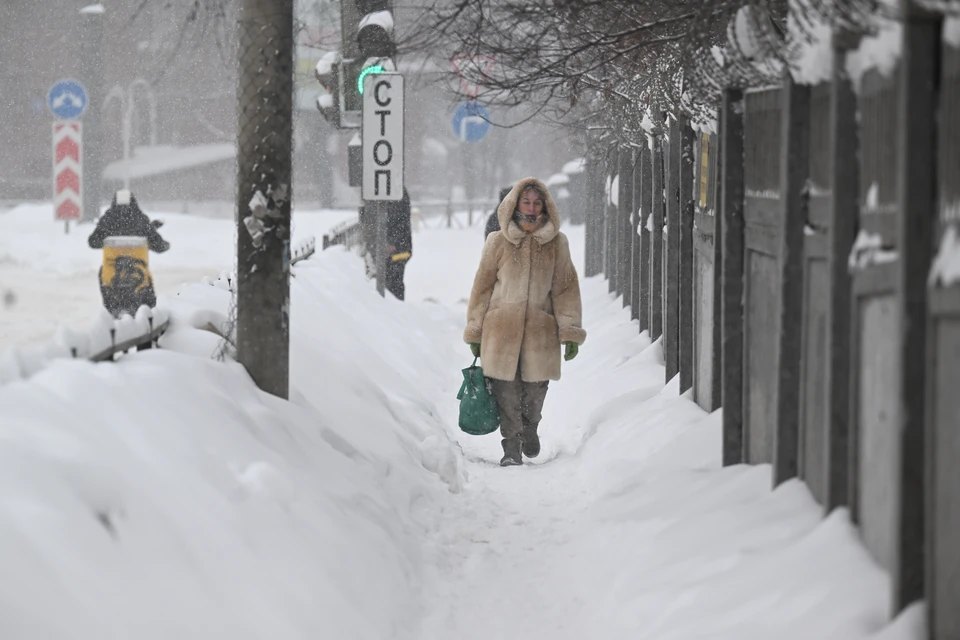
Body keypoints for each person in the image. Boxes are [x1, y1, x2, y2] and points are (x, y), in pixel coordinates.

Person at [464, 178, 586, 466]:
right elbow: (481, 287)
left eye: (536, 202)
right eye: (526, 202)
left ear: (545, 205)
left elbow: (565, 289)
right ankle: (511, 446)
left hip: (540, 332)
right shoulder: (497, 241)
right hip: (500, 331)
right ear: (514, 204)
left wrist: (569, 329)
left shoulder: (557, 243)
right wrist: (475, 331)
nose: (531, 208)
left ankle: (530, 427)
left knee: (534, 391)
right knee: (505, 391)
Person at [88, 190, 169, 317]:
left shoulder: (108, 220)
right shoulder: (141, 220)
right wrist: (160, 242)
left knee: (102, 274)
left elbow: (92, 242)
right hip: (139, 275)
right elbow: (159, 245)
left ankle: (110, 310)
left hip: (112, 277)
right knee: (149, 297)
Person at [385, 188, 413, 300]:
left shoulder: (397, 193)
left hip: (399, 251)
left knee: (393, 283)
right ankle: (396, 308)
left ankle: (395, 308)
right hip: (401, 249)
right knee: (394, 282)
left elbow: (400, 222)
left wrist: (393, 243)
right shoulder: (397, 191)